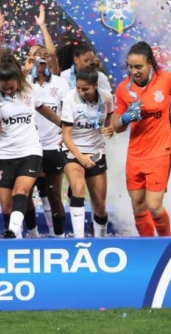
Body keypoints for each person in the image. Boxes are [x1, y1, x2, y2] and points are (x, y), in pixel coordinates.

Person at [112, 41, 171, 237]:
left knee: (154, 205)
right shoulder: (123, 90)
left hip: (160, 152)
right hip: (135, 154)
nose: (134, 71)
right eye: (130, 67)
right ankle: (148, 247)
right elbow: (115, 127)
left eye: (139, 67)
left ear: (150, 64)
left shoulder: (167, 80)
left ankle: (165, 243)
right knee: (137, 206)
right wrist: (125, 118)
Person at [0, 51, 61, 238]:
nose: (8, 91)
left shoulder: (31, 91)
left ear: (18, 79)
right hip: (3, 154)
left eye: (11, 87)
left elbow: (46, 112)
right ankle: (17, 240)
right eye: (5, 88)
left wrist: (65, 126)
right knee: (6, 206)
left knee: (21, 192)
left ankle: (12, 232)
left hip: (30, 151)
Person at [61, 67, 114, 238]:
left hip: (96, 151)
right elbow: (66, 135)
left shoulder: (106, 97)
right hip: (73, 150)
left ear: (95, 86)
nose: (81, 92)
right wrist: (80, 157)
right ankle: (78, 239)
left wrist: (109, 129)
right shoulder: (70, 98)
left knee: (99, 204)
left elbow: (109, 120)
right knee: (77, 187)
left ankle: (100, 240)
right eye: (78, 88)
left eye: (86, 89)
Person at [25, 45, 69, 237]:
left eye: (44, 56)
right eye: (36, 56)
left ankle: (58, 237)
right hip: (29, 146)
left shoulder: (60, 84)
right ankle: (33, 236)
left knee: (54, 194)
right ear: (29, 59)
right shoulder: (23, 82)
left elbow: (68, 111)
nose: (40, 59)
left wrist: (65, 133)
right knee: (25, 194)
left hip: (53, 145)